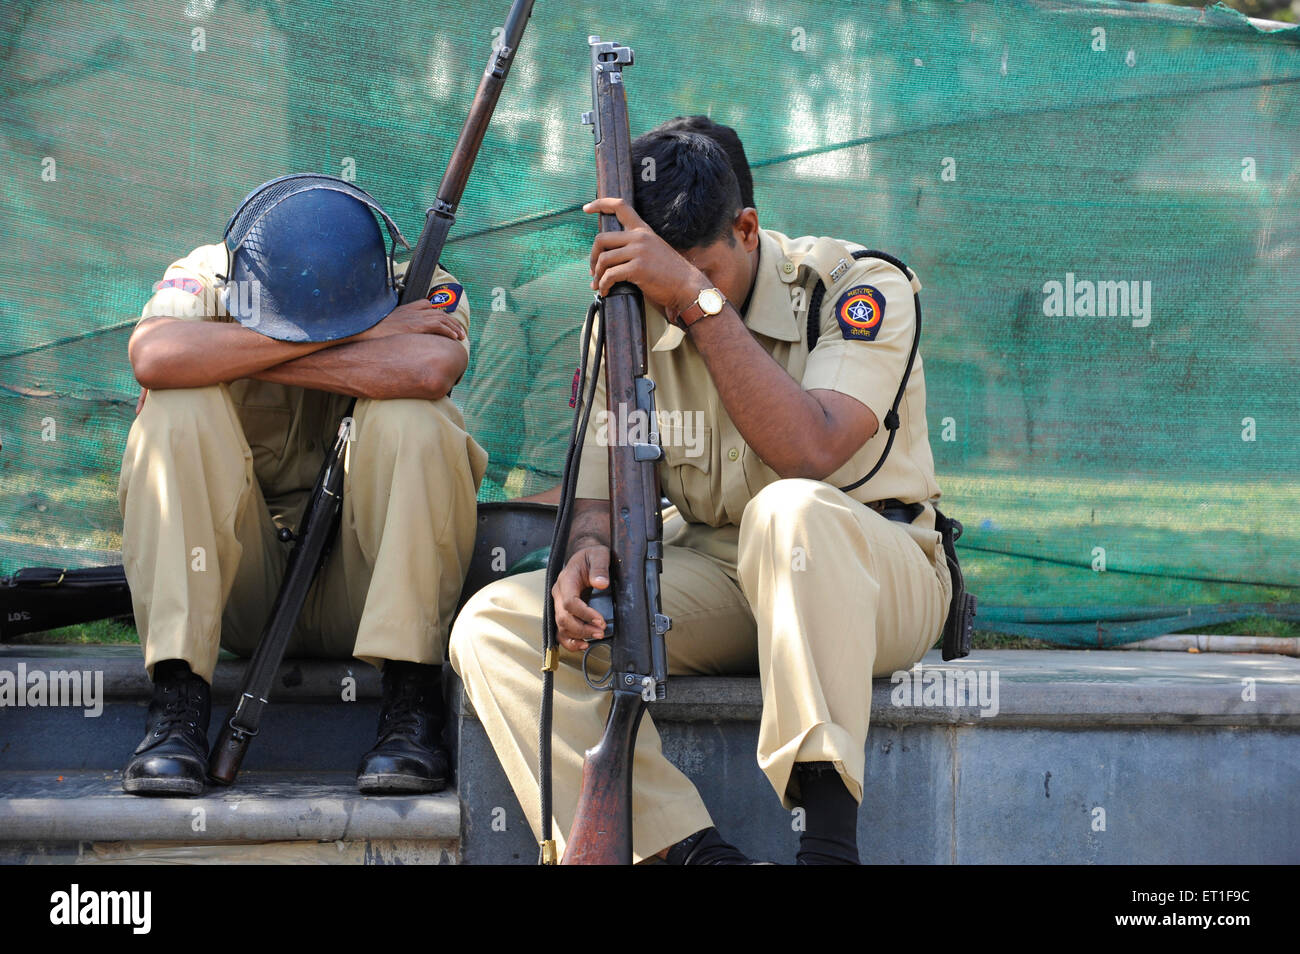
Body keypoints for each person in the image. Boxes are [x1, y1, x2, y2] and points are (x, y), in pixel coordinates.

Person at [449, 126, 952, 864]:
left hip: (872, 570)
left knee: (791, 512)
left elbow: (808, 450)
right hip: (720, 571)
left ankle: (829, 850)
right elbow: (597, 496)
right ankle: (690, 857)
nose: (665, 296)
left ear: (747, 230)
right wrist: (586, 558)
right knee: (495, 625)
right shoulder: (625, 315)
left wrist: (695, 302)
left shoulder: (856, 287)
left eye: (697, 270)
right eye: (657, 276)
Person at [118, 174, 487, 796]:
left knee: (416, 417)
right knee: (174, 408)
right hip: (238, 589)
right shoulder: (212, 272)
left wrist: (243, 351)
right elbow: (155, 357)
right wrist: (361, 335)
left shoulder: (417, 281)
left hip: (364, 588)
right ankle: (178, 703)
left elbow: (428, 368)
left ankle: (410, 702)